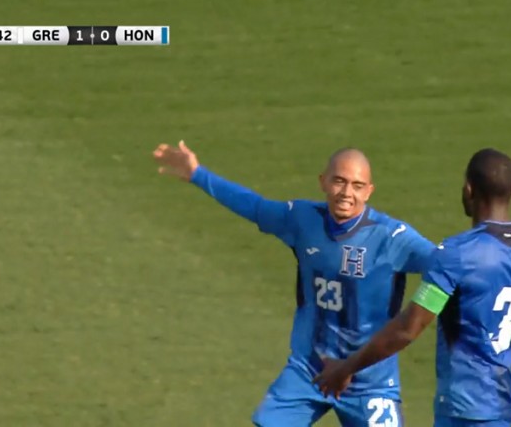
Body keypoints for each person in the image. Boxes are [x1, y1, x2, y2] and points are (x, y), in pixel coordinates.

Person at [153, 141, 436, 426]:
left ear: (369, 191)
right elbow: (255, 207)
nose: (347, 193)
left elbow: (445, 267)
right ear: (323, 181)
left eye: (357, 185)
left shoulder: (392, 237)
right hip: (309, 370)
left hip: (369, 382)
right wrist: (198, 174)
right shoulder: (302, 219)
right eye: (339, 181)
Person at [313, 148, 511, 427]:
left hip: (462, 406)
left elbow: (409, 328)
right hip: (502, 400)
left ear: (468, 190)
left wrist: (346, 367)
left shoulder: (457, 255)